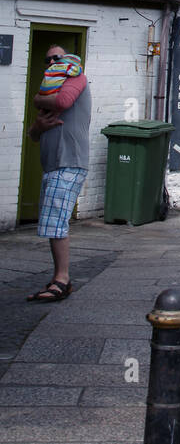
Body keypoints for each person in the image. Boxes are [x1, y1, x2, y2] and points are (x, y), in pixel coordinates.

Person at [26, 44, 91, 303]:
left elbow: (63, 102)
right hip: (53, 165)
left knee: (56, 222)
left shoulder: (77, 78)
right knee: (53, 222)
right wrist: (38, 125)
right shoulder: (51, 87)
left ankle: (62, 279)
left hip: (69, 162)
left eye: (58, 57)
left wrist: (37, 100)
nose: (53, 62)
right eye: (49, 59)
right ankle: (59, 278)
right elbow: (32, 135)